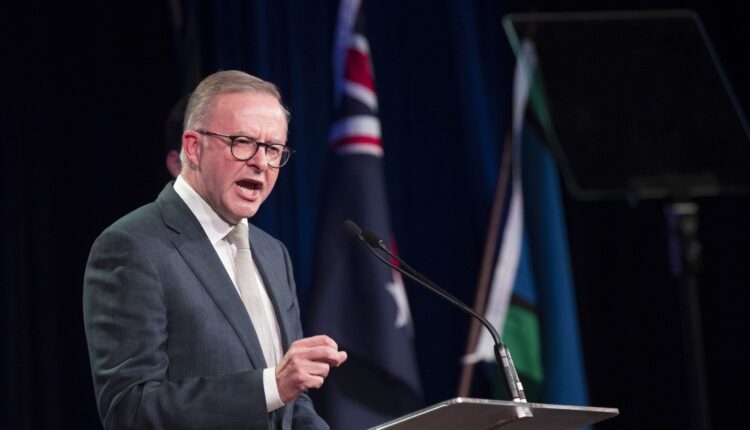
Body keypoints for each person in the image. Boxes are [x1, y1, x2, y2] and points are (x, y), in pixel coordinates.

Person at [83, 70, 347, 430]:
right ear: (193, 147)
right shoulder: (133, 246)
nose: (261, 162)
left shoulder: (273, 253)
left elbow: (291, 401)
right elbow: (130, 409)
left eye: (273, 149)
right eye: (243, 142)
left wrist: (286, 393)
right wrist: (273, 385)